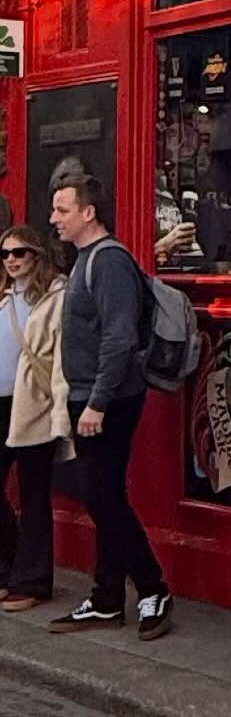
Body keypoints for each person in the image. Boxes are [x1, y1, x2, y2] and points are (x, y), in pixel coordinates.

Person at [47, 175, 172, 638]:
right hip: (90, 395)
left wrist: (97, 402)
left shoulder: (110, 261)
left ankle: (153, 587)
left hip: (109, 400)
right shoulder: (87, 259)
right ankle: (106, 599)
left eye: (62, 210)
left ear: (89, 212)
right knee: (104, 499)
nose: (53, 219)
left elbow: (119, 338)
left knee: (103, 499)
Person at [0, 225, 72, 611]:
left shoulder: (56, 296)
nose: (11, 260)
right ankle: (7, 565)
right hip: (0, 403)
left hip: (33, 403)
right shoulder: (4, 295)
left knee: (33, 492)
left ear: (36, 255)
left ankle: (32, 580)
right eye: (5, 254)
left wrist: (61, 415)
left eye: (19, 253)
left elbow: (60, 359)